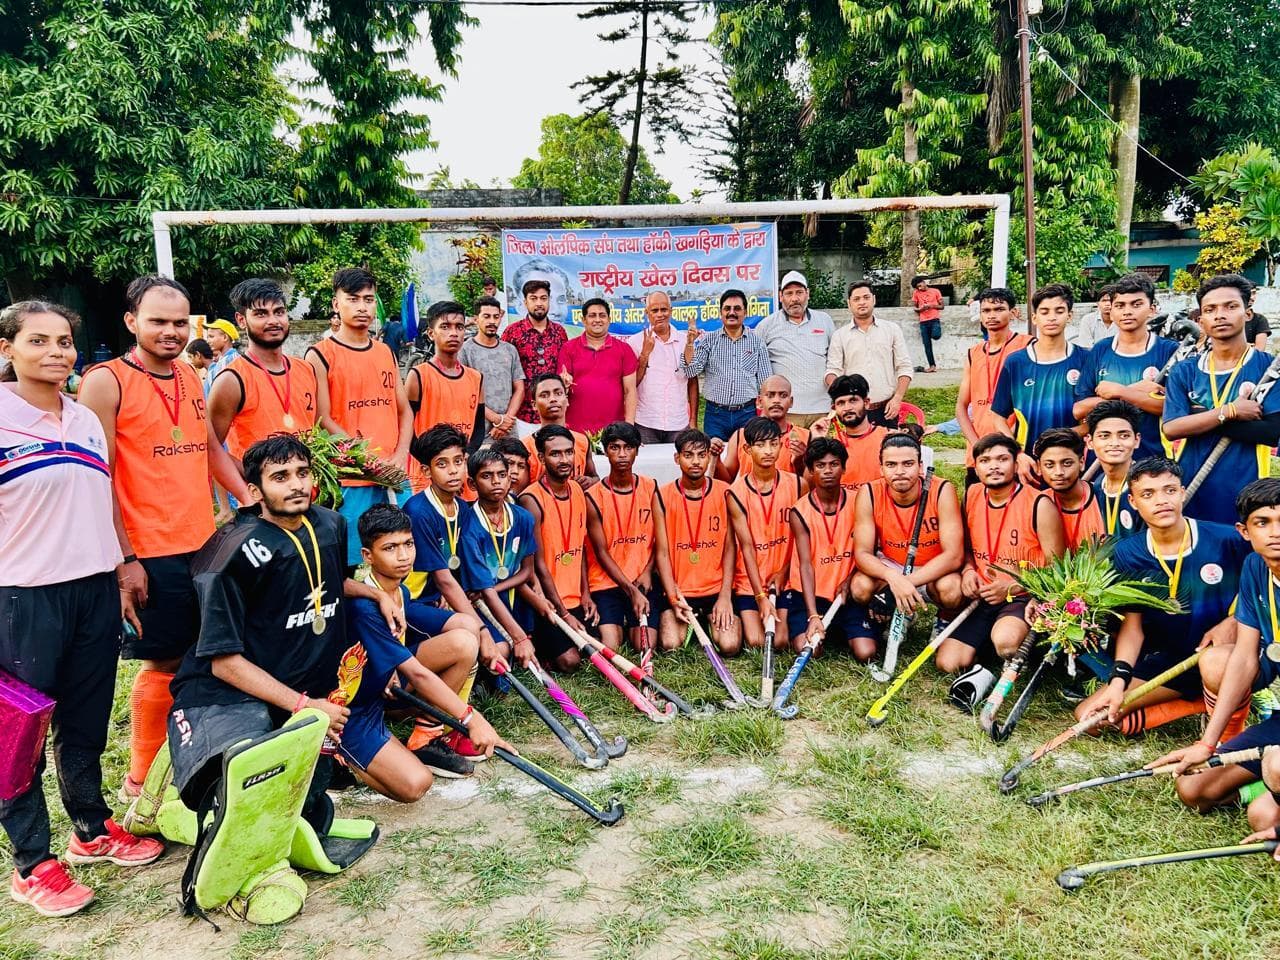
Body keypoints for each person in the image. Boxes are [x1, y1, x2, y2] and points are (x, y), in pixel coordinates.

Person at [1, 301, 163, 918]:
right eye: (38, 340)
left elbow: (102, 500)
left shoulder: (84, 418)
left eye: (65, 341)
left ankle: (91, 830)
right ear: (7, 349)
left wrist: (123, 564)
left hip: (94, 589)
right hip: (22, 596)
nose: (56, 352)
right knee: (19, 733)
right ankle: (32, 863)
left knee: (86, 721)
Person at [163, 436, 400, 849]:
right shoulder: (229, 556)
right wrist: (305, 705)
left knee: (313, 804)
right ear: (254, 491)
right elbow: (224, 663)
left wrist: (376, 594)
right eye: (280, 477)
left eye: (302, 473)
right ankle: (172, 794)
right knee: (247, 784)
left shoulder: (330, 524)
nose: (295, 485)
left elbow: (326, 582)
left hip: (300, 688)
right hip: (227, 695)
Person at [78, 275, 251, 800]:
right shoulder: (105, 381)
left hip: (203, 543)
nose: (171, 331)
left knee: (204, 653)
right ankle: (140, 781)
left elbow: (210, 449)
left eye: (180, 322)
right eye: (158, 321)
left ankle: (189, 763)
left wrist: (250, 500)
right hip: (147, 549)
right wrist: (124, 559)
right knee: (162, 660)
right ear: (131, 321)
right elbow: (99, 476)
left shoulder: (189, 374)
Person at [1077, 458, 1250, 741]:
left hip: (1224, 654)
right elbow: (1133, 626)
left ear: (1182, 492)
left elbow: (1267, 583)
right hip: (1173, 661)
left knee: (1218, 666)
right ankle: (1199, 703)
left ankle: (1228, 700)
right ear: (1133, 502)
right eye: (1148, 494)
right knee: (1089, 718)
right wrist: (1118, 681)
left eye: (1169, 490)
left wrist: (1234, 620)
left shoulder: (1227, 539)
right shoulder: (1127, 553)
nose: (1161, 501)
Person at [339, 504, 509, 790]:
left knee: (466, 636)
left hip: (390, 688)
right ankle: (338, 754)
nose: (403, 556)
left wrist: (481, 633)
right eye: (390, 548)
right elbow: (416, 674)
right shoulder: (364, 606)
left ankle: (427, 734)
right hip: (360, 700)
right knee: (414, 784)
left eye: (408, 544)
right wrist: (470, 718)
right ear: (367, 556)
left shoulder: (401, 591)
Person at [1144, 479, 1280, 818]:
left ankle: (1272, 786)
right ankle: (1267, 782)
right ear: (1244, 531)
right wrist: (1208, 743)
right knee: (1194, 789)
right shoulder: (1255, 568)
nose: (1275, 532)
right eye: (1262, 522)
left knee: (1262, 815)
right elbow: (1244, 658)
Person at [306, 268, 414, 568]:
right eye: (353, 299)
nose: (362, 307)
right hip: (351, 479)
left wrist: (400, 455)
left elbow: (404, 410)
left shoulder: (385, 352)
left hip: (394, 476)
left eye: (368, 299)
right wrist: (368, 462)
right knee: (354, 565)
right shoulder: (320, 354)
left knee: (401, 561)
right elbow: (322, 418)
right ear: (336, 304)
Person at [399, 426, 494, 759]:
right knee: (470, 630)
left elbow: (457, 569)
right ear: (426, 471)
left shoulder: (463, 509)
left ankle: (452, 727)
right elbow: (443, 578)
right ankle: (431, 730)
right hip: (405, 604)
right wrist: (483, 631)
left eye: (458, 461)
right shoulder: (418, 510)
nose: (453, 471)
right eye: (442, 464)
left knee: (471, 627)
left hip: (431, 601)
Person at [936, 434, 1065, 678]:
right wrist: (968, 571)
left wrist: (1013, 586)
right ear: (976, 467)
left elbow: (1057, 569)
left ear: (1016, 464)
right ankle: (990, 644)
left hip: (1024, 596)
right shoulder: (972, 494)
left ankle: (1022, 646)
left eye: (1002, 459)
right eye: (985, 461)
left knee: (1006, 641)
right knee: (948, 663)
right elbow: (965, 549)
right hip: (984, 594)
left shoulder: (1039, 504)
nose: (993, 466)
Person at [1163, 274, 1280, 525]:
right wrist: (1229, 411)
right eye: (1210, 309)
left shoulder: (1269, 368)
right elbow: (1172, 428)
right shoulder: (1185, 370)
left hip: (1247, 488)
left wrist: (1197, 417)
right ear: (1201, 320)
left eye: (1230, 306)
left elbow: (1271, 432)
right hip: (1191, 484)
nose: (1219, 315)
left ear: (1247, 313)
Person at [651, 429, 773, 657]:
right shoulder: (662, 495)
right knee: (670, 645)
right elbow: (662, 553)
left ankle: (709, 620)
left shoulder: (725, 492)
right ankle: (691, 619)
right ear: (677, 458)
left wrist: (725, 596)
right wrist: (674, 598)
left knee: (730, 645)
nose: (696, 462)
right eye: (688, 455)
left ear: (709, 456)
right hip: (681, 590)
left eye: (701, 455)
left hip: (715, 589)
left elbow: (730, 548)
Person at [851, 434, 964, 650]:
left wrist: (904, 584)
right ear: (881, 468)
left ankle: (945, 618)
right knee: (860, 587)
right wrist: (892, 578)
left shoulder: (942, 490)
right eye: (891, 465)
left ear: (921, 466)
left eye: (908, 464)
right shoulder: (869, 492)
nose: (900, 471)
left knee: (952, 590)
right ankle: (899, 613)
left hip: (932, 568)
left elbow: (953, 555)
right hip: (893, 564)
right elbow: (862, 553)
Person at [208, 278, 318, 462]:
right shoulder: (231, 380)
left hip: (306, 480)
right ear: (241, 320)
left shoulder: (306, 369)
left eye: (279, 312)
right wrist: (253, 475)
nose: (273, 321)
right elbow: (211, 450)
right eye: (261, 314)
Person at [1071, 273, 1177, 461]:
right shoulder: (1101, 349)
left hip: (1152, 459)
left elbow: (1172, 407)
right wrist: (1136, 391)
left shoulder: (1170, 351)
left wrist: (1120, 392)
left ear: (1152, 309)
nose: (1127, 312)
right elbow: (1080, 409)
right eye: (1120, 306)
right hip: (1103, 461)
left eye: (1136, 304)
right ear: (1111, 312)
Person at [991, 283, 1088, 483]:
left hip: (1072, 465)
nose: (1052, 317)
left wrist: (1066, 436)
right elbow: (998, 416)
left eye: (1059, 311)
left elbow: (1098, 415)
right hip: (1030, 466)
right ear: (1035, 318)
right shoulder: (1016, 362)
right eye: (1044, 312)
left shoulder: (1086, 359)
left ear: (1069, 316)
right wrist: (1017, 454)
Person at [728, 417, 805, 651]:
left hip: (785, 579)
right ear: (747, 449)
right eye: (760, 445)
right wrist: (760, 596)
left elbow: (801, 539)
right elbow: (746, 546)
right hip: (749, 580)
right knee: (756, 641)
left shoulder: (798, 484)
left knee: (779, 641)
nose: (768, 451)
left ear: (781, 445)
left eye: (773, 444)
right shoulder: (736, 492)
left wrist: (784, 571)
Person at [519, 425, 592, 671]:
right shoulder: (531, 499)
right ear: (541, 458)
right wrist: (564, 613)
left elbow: (580, 548)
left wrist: (586, 594)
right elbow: (538, 565)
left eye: (569, 452)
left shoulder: (578, 490)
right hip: (548, 601)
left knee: (606, 642)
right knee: (570, 661)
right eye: (556, 454)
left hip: (575, 598)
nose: (564, 460)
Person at [459, 449, 539, 667]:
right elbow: (483, 591)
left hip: (509, 596)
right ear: (472, 484)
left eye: (502, 475)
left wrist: (496, 587)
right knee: (501, 650)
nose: (496, 482)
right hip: (480, 603)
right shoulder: (469, 526)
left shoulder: (523, 518)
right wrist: (519, 638)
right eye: (487, 476)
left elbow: (527, 571)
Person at [785, 438, 864, 656]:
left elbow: (869, 551)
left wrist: (850, 581)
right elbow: (805, 565)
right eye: (820, 465)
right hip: (811, 595)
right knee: (808, 650)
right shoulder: (799, 511)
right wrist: (812, 615)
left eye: (834, 464)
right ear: (811, 470)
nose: (828, 471)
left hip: (845, 594)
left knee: (865, 652)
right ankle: (821, 625)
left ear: (844, 467)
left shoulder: (859, 502)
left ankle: (845, 629)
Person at [585, 422, 657, 653]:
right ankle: (619, 620)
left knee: (645, 645)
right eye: (615, 447)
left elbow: (659, 540)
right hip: (607, 581)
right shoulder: (592, 496)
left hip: (641, 579)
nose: (622, 454)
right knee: (610, 647)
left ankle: (629, 620)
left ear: (637, 450)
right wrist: (630, 591)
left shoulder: (651, 487)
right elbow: (601, 552)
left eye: (628, 447)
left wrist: (647, 572)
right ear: (605, 451)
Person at [406, 300, 484, 493]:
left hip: (461, 472)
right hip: (427, 474)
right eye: (445, 327)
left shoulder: (476, 378)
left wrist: (463, 459)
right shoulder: (419, 376)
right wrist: (433, 462)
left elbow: (478, 428)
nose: (453, 333)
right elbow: (406, 428)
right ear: (431, 333)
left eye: (459, 327)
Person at [955, 287, 1032, 476]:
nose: (992, 315)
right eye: (986, 310)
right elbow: (961, 407)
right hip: (979, 451)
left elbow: (1032, 403)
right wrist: (977, 446)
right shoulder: (973, 353)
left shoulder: (1028, 346)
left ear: (1013, 312)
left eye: (999, 309)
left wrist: (1010, 444)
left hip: (1016, 450)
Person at [679, 289, 772, 441]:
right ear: (720, 313)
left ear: (745, 313)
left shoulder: (757, 343)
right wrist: (689, 344)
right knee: (715, 454)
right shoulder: (709, 341)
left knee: (745, 453)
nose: (732, 313)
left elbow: (765, 382)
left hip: (747, 414)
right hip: (715, 415)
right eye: (727, 308)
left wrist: (765, 413)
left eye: (737, 308)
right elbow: (690, 371)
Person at [825, 283, 913, 427]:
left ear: (874, 299)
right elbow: (833, 370)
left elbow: (904, 367)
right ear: (849, 303)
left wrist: (897, 398)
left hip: (887, 409)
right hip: (855, 411)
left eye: (866, 297)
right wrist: (840, 394)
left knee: (888, 442)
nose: (862, 302)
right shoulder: (840, 336)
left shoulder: (892, 330)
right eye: (856, 299)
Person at [753, 271, 834, 427]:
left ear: (807, 294)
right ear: (780, 296)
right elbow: (756, 365)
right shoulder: (766, 325)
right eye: (789, 293)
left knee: (823, 444)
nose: (794, 299)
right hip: (786, 412)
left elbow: (835, 359)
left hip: (822, 409)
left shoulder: (825, 321)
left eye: (799, 292)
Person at [628, 291, 698, 443]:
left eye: (664, 309)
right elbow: (631, 385)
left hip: (678, 422)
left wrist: (693, 420)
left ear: (671, 311)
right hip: (645, 422)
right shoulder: (634, 342)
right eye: (655, 310)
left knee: (680, 459)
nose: (660, 314)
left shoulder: (685, 341)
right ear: (647, 313)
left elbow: (692, 381)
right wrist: (644, 355)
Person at [560, 298, 637, 433]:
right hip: (575, 429)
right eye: (592, 315)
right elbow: (561, 388)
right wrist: (564, 383)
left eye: (602, 315)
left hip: (614, 430)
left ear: (609, 319)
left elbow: (630, 391)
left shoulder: (624, 349)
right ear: (584, 320)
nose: (597, 320)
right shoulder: (568, 348)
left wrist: (629, 427)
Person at [502, 279, 568, 425]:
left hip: (554, 413)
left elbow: (564, 368)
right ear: (525, 302)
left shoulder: (559, 332)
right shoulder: (512, 332)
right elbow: (504, 372)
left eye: (543, 298)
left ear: (549, 300)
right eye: (533, 298)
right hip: (522, 414)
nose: (539, 303)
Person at [718, 375, 809, 480]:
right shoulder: (741, 436)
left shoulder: (805, 436)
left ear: (791, 401)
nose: (776, 400)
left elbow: (811, 483)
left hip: (790, 490)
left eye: (783, 395)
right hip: (749, 491)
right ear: (759, 401)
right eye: (770, 395)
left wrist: (799, 463)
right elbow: (726, 481)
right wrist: (716, 460)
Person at [459, 296, 524, 442]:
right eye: (486, 316)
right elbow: (464, 393)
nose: (492, 321)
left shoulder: (510, 350)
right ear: (476, 319)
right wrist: (497, 419)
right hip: (478, 433)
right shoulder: (465, 351)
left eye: (496, 317)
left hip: (509, 431)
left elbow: (519, 388)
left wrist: (506, 421)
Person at [810, 374, 889, 494]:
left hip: (879, 503)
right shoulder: (830, 445)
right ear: (834, 408)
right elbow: (811, 485)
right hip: (842, 504)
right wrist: (816, 442)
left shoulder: (887, 438)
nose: (847, 408)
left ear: (866, 403)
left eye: (853, 401)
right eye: (841, 403)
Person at [520, 374, 598, 486]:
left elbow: (595, 477)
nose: (553, 399)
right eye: (544, 395)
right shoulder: (524, 447)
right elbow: (520, 491)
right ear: (534, 405)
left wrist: (589, 481)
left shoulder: (583, 441)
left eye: (558, 393)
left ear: (567, 400)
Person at [1034, 428, 1106, 549]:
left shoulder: (1102, 497)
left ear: (1081, 462)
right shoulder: (1035, 505)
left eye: (1067, 463)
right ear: (1039, 467)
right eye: (1049, 465)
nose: (1059, 472)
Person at [1086, 399, 1145, 538]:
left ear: (1136, 440)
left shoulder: (1147, 487)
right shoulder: (1096, 487)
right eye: (1104, 436)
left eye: (1124, 436)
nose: (1114, 443)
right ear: (1090, 442)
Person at [910, 275, 944, 373]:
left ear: (924, 282)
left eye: (920, 285)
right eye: (918, 287)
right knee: (927, 345)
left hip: (934, 319)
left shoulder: (935, 291)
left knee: (936, 335)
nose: (920, 288)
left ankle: (934, 333)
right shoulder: (916, 293)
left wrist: (931, 306)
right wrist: (920, 309)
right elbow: (914, 308)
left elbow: (942, 306)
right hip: (923, 322)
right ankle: (932, 366)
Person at [203, 318, 241, 386]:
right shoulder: (223, 359)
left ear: (225, 337)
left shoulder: (231, 360)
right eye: (207, 337)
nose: (208, 341)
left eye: (211, 336)